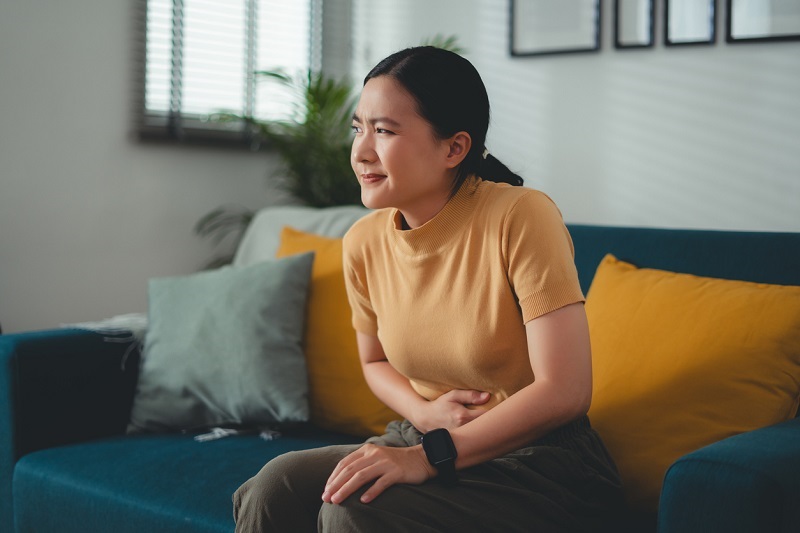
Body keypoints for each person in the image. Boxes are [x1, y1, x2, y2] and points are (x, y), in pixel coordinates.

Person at [233, 46, 623, 532]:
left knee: (351, 510)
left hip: (537, 459)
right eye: (358, 128)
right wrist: (424, 414)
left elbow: (565, 391)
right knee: (275, 487)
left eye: (385, 131)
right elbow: (374, 361)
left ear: (454, 148)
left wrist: (427, 457)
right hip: (420, 435)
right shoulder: (362, 241)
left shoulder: (521, 217)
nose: (361, 151)